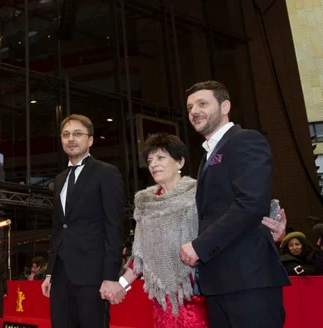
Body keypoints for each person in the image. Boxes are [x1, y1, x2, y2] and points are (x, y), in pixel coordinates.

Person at [119, 133, 287, 327]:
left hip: (199, 291)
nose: (153, 164)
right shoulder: (145, 203)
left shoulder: (200, 192)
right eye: (150, 160)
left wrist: (270, 230)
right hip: (162, 300)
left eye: (160, 157)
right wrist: (121, 284)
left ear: (180, 162)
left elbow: (236, 218)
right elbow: (140, 256)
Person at [180, 80, 290, 327]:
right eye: (189, 107)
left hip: (248, 279)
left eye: (202, 103)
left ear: (225, 106)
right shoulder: (208, 155)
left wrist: (200, 246)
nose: (194, 111)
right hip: (220, 281)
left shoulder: (244, 140)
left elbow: (251, 203)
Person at [39, 114, 126, 328]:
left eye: (77, 134)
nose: (71, 139)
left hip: (92, 274)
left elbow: (115, 227)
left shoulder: (106, 173)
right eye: (66, 134)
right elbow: (59, 227)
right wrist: (50, 272)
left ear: (90, 140)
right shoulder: (59, 179)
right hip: (60, 274)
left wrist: (110, 276)